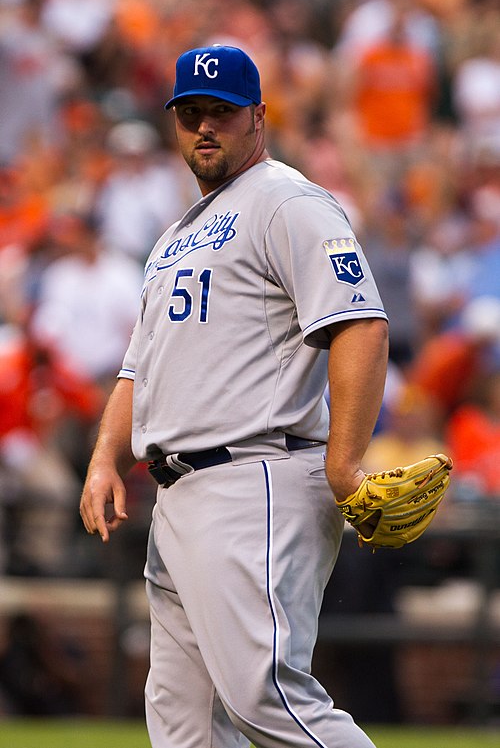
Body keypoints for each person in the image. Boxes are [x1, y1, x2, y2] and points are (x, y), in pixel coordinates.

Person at [80, 44, 389, 748]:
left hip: (257, 479)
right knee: (184, 726)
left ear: (258, 116)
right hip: (180, 494)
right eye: (191, 114)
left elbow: (361, 325)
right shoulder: (174, 237)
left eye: (221, 111)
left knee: (266, 699)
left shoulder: (287, 199)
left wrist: (346, 463)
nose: (205, 127)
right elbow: (139, 366)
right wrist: (105, 456)